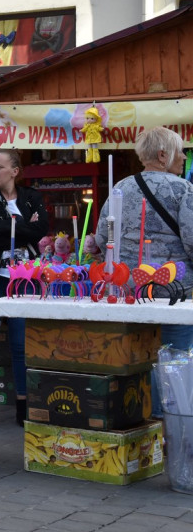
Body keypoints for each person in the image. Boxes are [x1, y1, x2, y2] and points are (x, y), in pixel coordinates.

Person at [94, 127, 193, 418]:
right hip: (174, 292)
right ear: (163, 155)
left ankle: (142, 419)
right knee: (175, 357)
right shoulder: (184, 189)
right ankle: (171, 421)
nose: (184, 156)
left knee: (138, 356)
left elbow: (102, 239)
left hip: (130, 292)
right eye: (180, 151)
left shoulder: (120, 187)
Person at [0, 149, 49, 426]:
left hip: (24, 281)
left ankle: (23, 406)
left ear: (14, 171)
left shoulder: (31, 197)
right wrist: (21, 228)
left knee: (20, 343)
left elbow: (41, 231)